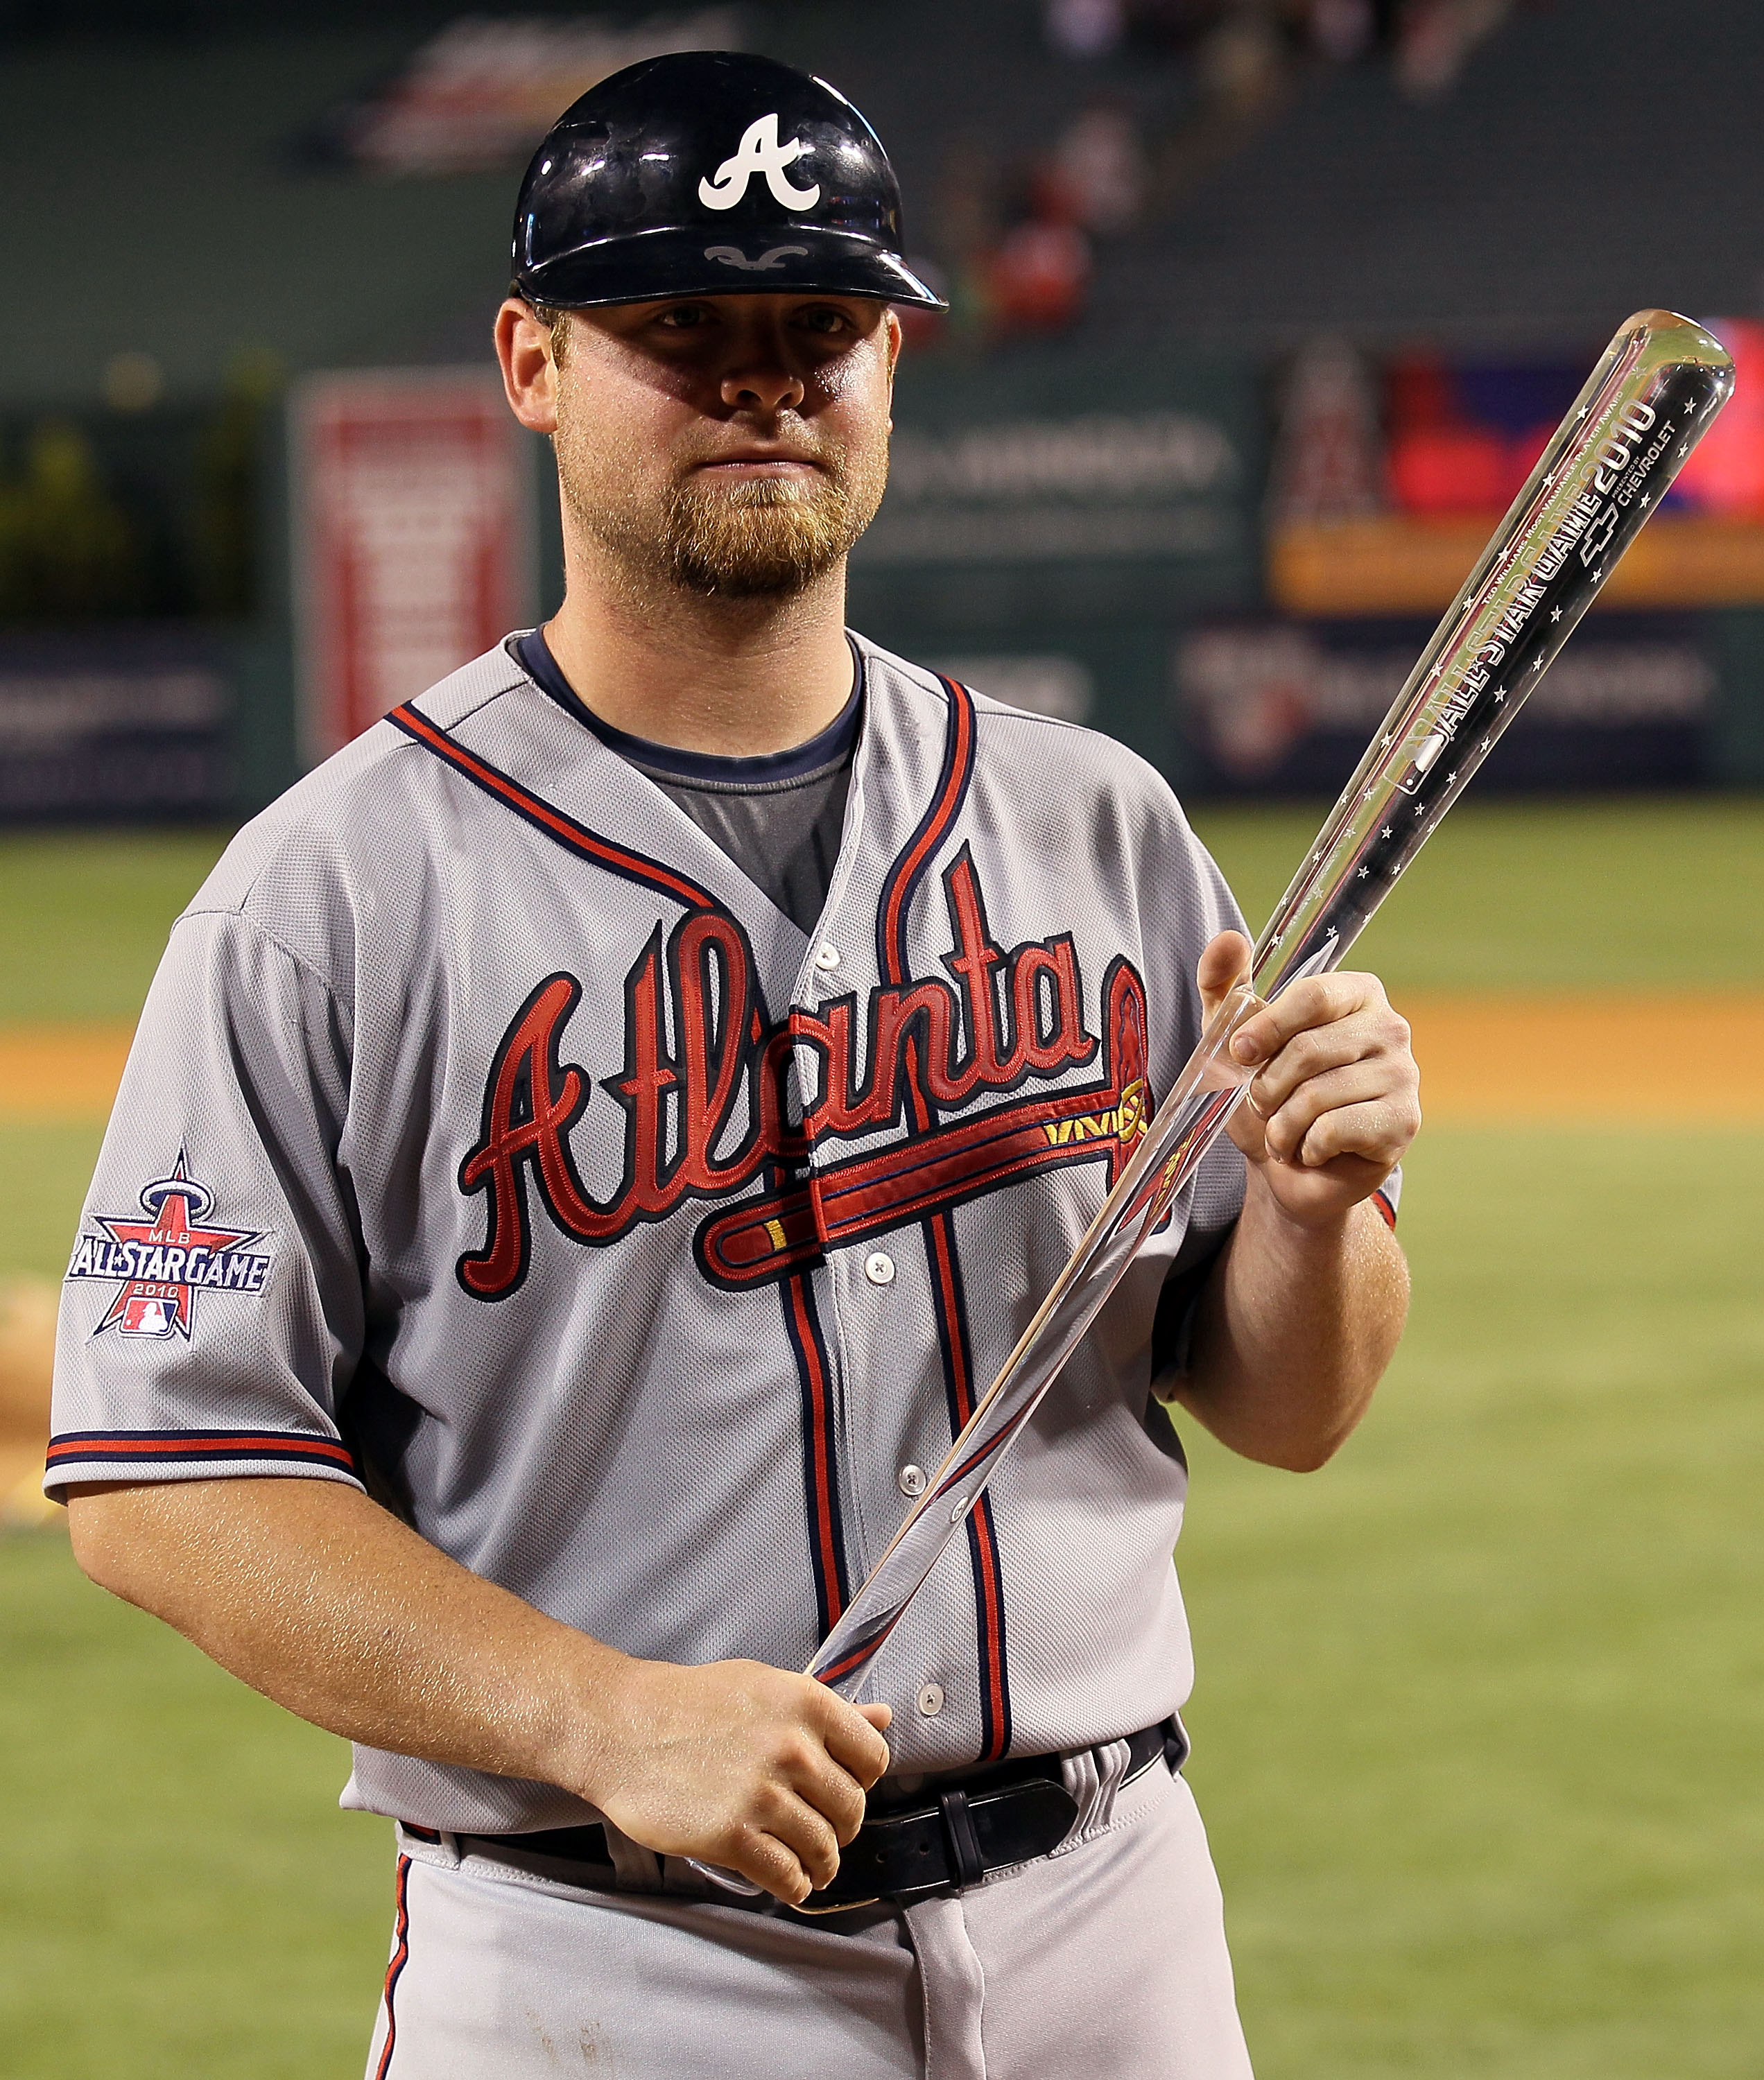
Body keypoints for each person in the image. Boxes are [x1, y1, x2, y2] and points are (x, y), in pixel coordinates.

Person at [50, 51, 1419, 2080]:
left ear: (892, 364)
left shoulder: (1096, 825)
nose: (762, 375)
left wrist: (1318, 1213)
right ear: (530, 362)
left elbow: (1286, 1402)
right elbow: (165, 1478)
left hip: (1113, 1917)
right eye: (679, 322)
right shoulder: (327, 897)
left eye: (820, 324)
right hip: (613, 1960)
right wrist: (593, 1711)